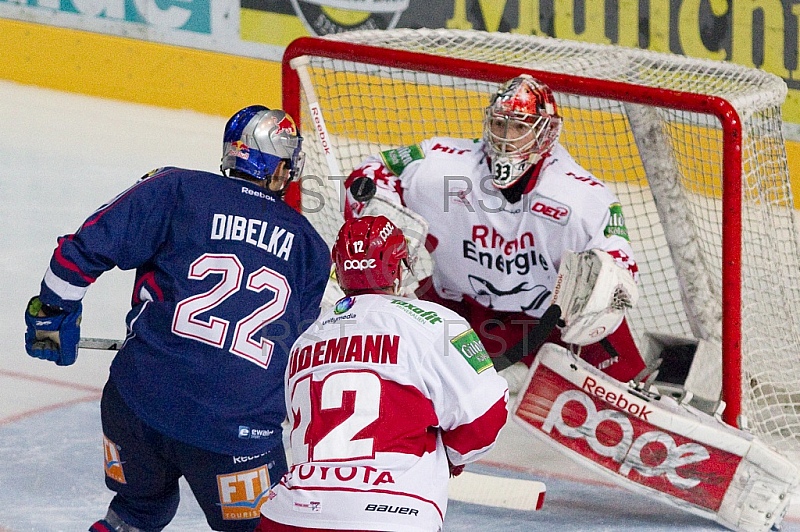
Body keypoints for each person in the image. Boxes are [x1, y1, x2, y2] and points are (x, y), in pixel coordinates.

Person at [24, 105, 331, 532]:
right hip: (235, 432)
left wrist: (52, 312)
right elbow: (293, 346)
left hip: (136, 404)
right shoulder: (310, 247)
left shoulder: (176, 188)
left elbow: (80, 252)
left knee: (138, 511)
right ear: (279, 165)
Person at [344, 74, 646, 383]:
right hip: (460, 310)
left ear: (545, 134)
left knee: (623, 392)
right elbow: (372, 173)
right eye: (501, 124)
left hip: (547, 323)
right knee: (388, 369)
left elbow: (621, 270)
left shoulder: (582, 198)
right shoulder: (443, 167)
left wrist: (603, 293)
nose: (506, 137)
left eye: (519, 127)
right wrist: (375, 218)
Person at [256, 215, 509, 532]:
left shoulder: (306, 339)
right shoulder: (436, 322)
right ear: (399, 268)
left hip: (290, 515)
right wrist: (454, 459)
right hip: (390, 514)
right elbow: (485, 417)